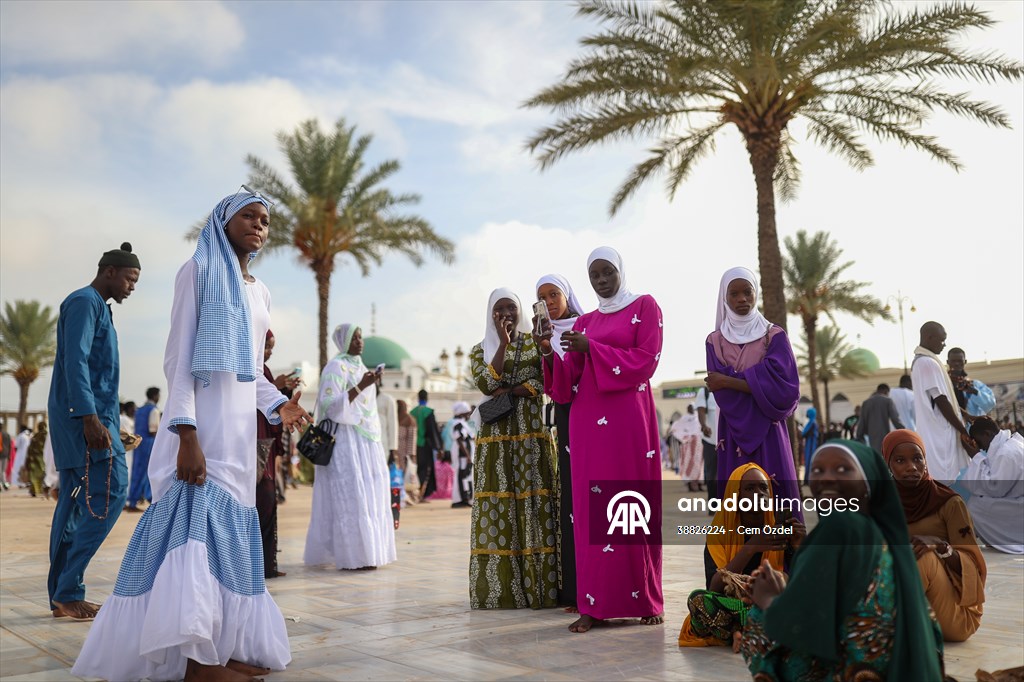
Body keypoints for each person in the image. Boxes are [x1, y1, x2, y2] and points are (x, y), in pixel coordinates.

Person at [73, 191, 309, 681]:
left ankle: (223, 647)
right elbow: (178, 358)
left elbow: (250, 371)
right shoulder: (197, 272)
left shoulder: (261, 292)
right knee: (195, 542)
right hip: (201, 432)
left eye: (265, 220)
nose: (259, 226)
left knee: (228, 547)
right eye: (248, 216)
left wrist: (279, 403)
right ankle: (196, 664)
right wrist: (186, 434)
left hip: (238, 437)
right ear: (223, 221)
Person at [740, 440, 945, 680]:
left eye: (842, 469)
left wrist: (768, 600)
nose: (826, 478)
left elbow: (800, 627)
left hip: (855, 671)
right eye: (818, 470)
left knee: (759, 621)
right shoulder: (881, 535)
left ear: (868, 484)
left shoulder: (839, 527)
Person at [542, 247, 664, 633]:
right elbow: (565, 385)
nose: (601, 280)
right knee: (591, 509)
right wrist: (547, 351)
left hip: (629, 422)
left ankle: (644, 599)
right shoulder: (585, 322)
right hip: (587, 426)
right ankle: (592, 604)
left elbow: (647, 359)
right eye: (594, 275)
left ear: (620, 271)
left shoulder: (645, 306)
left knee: (631, 502)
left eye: (607, 271)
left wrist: (591, 348)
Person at [47, 242, 139, 622]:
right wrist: (90, 419)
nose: (132, 287)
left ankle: (62, 594)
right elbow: (76, 361)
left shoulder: (97, 306)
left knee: (74, 503)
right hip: (84, 421)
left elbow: (99, 375)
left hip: (93, 420)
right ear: (109, 272)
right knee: (112, 491)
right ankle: (68, 590)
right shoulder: (85, 302)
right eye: (130, 279)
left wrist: (112, 424)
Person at [470, 287, 558, 610]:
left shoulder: (535, 344)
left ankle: (538, 589)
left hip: (531, 435)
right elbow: (485, 383)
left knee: (533, 504)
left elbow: (544, 382)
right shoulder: (479, 350)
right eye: (500, 309)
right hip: (495, 440)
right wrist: (503, 345)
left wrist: (511, 389)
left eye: (511, 308)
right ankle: (504, 591)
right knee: (500, 505)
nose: (506, 314)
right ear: (490, 313)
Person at [705, 267, 802, 513]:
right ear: (724, 297)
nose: (742, 299)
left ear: (755, 293)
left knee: (777, 500)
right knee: (738, 500)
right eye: (734, 294)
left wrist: (729, 381)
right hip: (733, 431)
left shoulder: (774, 335)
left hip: (769, 430)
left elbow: (785, 389)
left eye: (747, 292)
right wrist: (760, 382)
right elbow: (720, 391)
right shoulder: (714, 341)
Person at [678, 463, 803, 649]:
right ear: (735, 495)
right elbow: (714, 587)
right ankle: (758, 631)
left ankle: (744, 632)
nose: (758, 494)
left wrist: (800, 547)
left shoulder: (779, 530)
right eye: (749, 488)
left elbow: (800, 582)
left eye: (763, 488)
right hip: (733, 604)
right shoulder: (719, 532)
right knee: (698, 600)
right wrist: (750, 548)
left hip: (770, 603)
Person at [304, 324, 396, 571]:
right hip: (346, 442)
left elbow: (366, 407)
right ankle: (353, 557)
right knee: (351, 495)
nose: (360, 341)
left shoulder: (361, 367)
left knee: (369, 495)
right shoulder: (336, 366)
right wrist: (361, 386)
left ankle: (369, 553)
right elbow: (330, 406)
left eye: (360, 337)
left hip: (366, 440)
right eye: (354, 338)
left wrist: (368, 382)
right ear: (343, 341)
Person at [881, 429, 986, 642]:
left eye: (917, 458)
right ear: (888, 464)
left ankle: (889, 634)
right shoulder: (881, 504)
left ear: (925, 460)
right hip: (898, 600)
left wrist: (941, 547)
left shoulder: (949, 503)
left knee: (923, 555)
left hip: (952, 611)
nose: (911, 467)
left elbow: (974, 567)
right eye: (900, 460)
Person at [535, 273, 585, 607]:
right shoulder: (545, 334)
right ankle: (576, 589)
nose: (550, 302)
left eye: (554, 294)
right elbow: (554, 387)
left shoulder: (588, 326)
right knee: (571, 498)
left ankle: (600, 585)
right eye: (542, 298)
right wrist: (544, 347)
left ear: (567, 295)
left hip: (592, 413)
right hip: (566, 417)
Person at [257, 331, 299, 579]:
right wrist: (275, 387)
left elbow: (274, 408)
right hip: (253, 443)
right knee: (259, 500)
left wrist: (284, 392)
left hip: (266, 445)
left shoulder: (265, 370)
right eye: (265, 347)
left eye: (271, 348)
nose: (269, 352)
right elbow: (245, 400)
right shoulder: (251, 370)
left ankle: (267, 565)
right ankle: (255, 566)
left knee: (268, 501)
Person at [912, 322, 971, 482]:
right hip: (938, 431)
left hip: (936, 430)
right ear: (929, 338)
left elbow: (945, 397)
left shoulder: (923, 361)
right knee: (941, 479)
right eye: (942, 340)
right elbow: (941, 400)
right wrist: (962, 430)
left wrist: (965, 415)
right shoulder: (927, 363)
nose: (944, 345)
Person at [961, 417, 1024, 554]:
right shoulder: (1010, 444)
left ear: (987, 434)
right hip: (1017, 500)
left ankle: (1000, 539)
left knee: (975, 505)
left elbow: (995, 488)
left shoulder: (1007, 453)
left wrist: (975, 455)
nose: (979, 447)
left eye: (978, 441)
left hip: (1019, 506)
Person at [125, 388, 160, 512]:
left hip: (138, 443)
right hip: (149, 443)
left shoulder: (139, 410)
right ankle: (150, 498)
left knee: (137, 472)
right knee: (149, 472)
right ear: (155, 396)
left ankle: (133, 499)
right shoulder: (154, 410)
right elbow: (153, 430)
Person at [411, 389, 442, 500]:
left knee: (416, 468)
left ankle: (415, 493)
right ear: (427, 398)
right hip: (425, 445)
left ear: (418, 398)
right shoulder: (428, 412)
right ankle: (422, 494)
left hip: (413, 445)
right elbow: (432, 431)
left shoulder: (412, 412)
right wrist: (438, 446)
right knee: (425, 469)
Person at [947, 348, 996, 418]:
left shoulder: (975, 384)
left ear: (965, 362)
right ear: (948, 362)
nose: (956, 364)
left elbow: (990, 405)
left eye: (960, 361)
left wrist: (973, 391)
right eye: (953, 361)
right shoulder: (943, 383)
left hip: (970, 424)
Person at [856, 384, 904, 452]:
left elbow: (862, 421)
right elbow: (895, 419)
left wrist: (859, 436)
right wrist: (903, 430)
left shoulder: (866, 402)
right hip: (884, 436)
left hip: (871, 437)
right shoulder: (888, 400)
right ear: (886, 391)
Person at [694, 385, 719, 500]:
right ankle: (713, 504)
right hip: (710, 440)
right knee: (712, 474)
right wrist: (704, 426)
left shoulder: (729, 387)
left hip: (729, 440)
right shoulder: (704, 392)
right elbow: (701, 411)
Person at [670, 404, 703, 491]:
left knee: (699, 465)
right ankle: (690, 484)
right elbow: (674, 429)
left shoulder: (697, 418)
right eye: (689, 408)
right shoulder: (683, 419)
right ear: (687, 409)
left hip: (699, 446)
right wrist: (685, 437)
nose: (691, 409)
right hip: (687, 446)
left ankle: (699, 484)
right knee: (687, 464)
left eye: (692, 408)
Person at [449, 401, 475, 508]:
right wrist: (467, 455)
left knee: (466, 476)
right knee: (462, 476)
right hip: (462, 456)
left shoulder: (462, 423)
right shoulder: (458, 424)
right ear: (461, 413)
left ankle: (466, 497)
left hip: (465, 456)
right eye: (467, 413)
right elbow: (459, 440)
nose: (469, 415)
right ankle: (460, 499)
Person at [396, 399, 420, 505]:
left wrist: (411, 456)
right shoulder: (394, 419)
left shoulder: (410, 420)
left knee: (406, 477)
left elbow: (412, 440)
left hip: (405, 455)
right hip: (395, 454)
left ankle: (408, 497)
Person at [25, 421, 48, 497]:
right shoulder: (44, 435)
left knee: (35, 475)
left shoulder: (37, 436)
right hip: (39, 458)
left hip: (36, 459)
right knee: (39, 474)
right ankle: (37, 490)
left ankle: (35, 490)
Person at [800, 407, 819, 484]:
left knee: (809, 462)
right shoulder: (813, 422)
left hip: (810, 445)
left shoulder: (812, 423)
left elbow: (804, 433)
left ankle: (808, 480)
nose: (806, 414)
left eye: (808, 413)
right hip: (811, 444)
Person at [11, 424, 32, 488]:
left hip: (20, 455)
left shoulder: (20, 436)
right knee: (26, 469)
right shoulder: (29, 435)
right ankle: (25, 482)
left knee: (18, 469)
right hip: (27, 454)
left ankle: (20, 483)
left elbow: (16, 446)